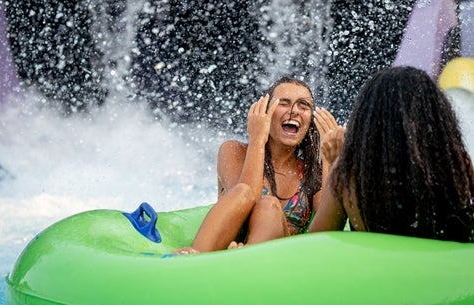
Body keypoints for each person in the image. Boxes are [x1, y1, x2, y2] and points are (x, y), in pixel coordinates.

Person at [309, 66, 474, 243]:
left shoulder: (348, 175)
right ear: (433, 116)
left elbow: (315, 245)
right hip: (444, 269)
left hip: (375, 269)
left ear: (368, 119)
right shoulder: (456, 166)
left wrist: (334, 163)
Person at [174, 76, 339, 253]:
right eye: (283, 103)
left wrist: (331, 160)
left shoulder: (311, 173)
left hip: (277, 258)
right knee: (244, 192)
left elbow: (328, 230)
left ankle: (243, 258)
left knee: (269, 207)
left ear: (311, 122)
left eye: (303, 105)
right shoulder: (234, 151)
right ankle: (193, 258)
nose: (294, 111)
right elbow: (247, 197)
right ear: (264, 113)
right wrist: (257, 139)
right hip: (227, 248)